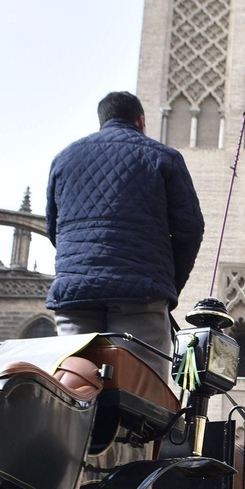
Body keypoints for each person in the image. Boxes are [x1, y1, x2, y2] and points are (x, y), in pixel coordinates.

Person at [45, 91, 204, 369]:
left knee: (73, 389)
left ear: (101, 123)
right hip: (140, 293)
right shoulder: (164, 157)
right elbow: (190, 230)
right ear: (141, 122)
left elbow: (53, 228)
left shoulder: (63, 159)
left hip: (75, 295)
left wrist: (82, 266)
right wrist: (167, 284)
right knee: (141, 391)